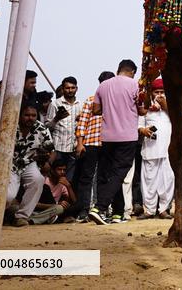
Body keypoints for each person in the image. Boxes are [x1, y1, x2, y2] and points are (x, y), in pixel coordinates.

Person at [88, 60, 143, 225]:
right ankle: (100, 207)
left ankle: (118, 213)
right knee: (120, 172)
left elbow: (96, 110)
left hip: (107, 136)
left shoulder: (103, 86)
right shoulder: (135, 85)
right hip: (127, 136)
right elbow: (141, 109)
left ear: (118, 69)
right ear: (132, 71)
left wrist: (111, 107)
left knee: (112, 173)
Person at [5, 102, 55, 227]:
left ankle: (21, 217)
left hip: (29, 162)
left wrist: (48, 162)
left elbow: (52, 150)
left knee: (38, 180)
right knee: (9, 195)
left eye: (33, 115)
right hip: (9, 163)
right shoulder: (9, 124)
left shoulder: (41, 128)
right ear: (20, 115)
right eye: (27, 115)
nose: (30, 118)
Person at [73, 70, 111, 222]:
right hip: (91, 142)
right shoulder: (90, 100)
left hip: (108, 143)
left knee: (104, 177)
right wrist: (80, 143)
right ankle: (84, 210)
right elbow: (82, 123)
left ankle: (100, 209)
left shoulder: (115, 101)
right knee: (87, 177)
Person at [138, 78, 174, 218]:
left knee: (167, 180)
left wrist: (165, 106)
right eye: (156, 92)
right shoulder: (145, 106)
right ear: (151, 93)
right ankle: (149, 210)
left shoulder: (170, 106)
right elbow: (139, 124)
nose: (159, 95)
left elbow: (179, 119)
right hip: (151, 149)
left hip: (167, 149)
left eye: (162, 92)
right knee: (149, 180)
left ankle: (164, 209)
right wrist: (143, 130)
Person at [49, 76, 82, 182]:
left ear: (76, 88)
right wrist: (56, 118)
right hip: (58, 146)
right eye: (67, 88)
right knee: (55, 177)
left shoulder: (81, 105)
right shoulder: (55, 103)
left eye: (73, 88)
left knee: (69, 179)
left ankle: (66, 198)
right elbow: (47, 126)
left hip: (73, 147)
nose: (70, 90)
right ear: (63, 89)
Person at [33, 158, 77, 224]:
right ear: (52, 170)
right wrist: (56, 204)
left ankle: (52, 218)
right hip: (42, 208)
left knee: (72, 208)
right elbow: (34, 204)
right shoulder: (44, 181)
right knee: (46, 188)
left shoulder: (63, 183)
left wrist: (69, 186)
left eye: (64, 170)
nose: (62, 172)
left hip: (54, 210)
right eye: (59, 169)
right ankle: (52, 219)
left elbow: (74, 202)